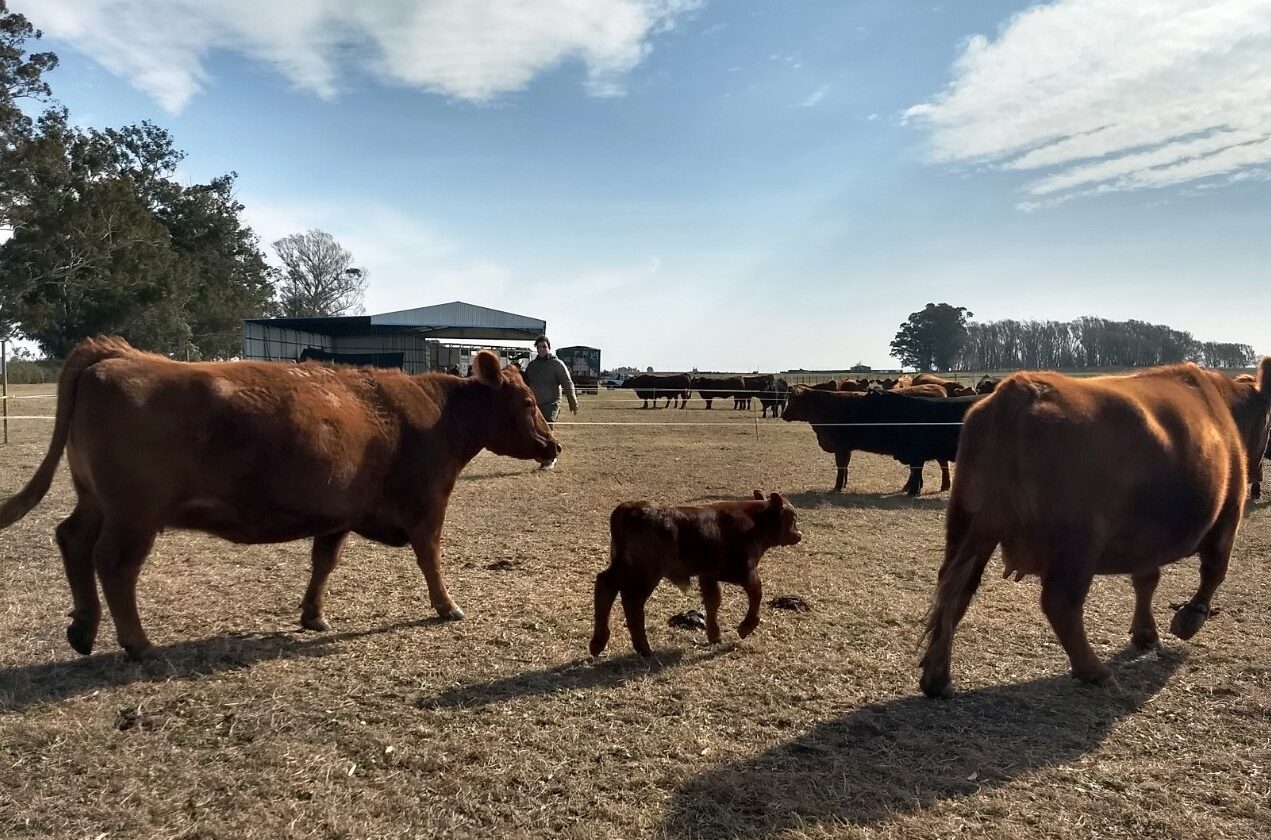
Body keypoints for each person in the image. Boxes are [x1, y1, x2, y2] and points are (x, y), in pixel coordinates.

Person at [522, 334, 578, 470]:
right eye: (539, 347)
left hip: (552, 403)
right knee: (537, 431)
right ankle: (545, 456)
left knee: (547, 428)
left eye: (544, 346)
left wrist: (573, 401)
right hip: (537, 404)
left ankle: (551, 458)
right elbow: (525, 382)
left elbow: (567, 382)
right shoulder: (532, 365)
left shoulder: (556, 364)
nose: (542, 349)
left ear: (549, 348)